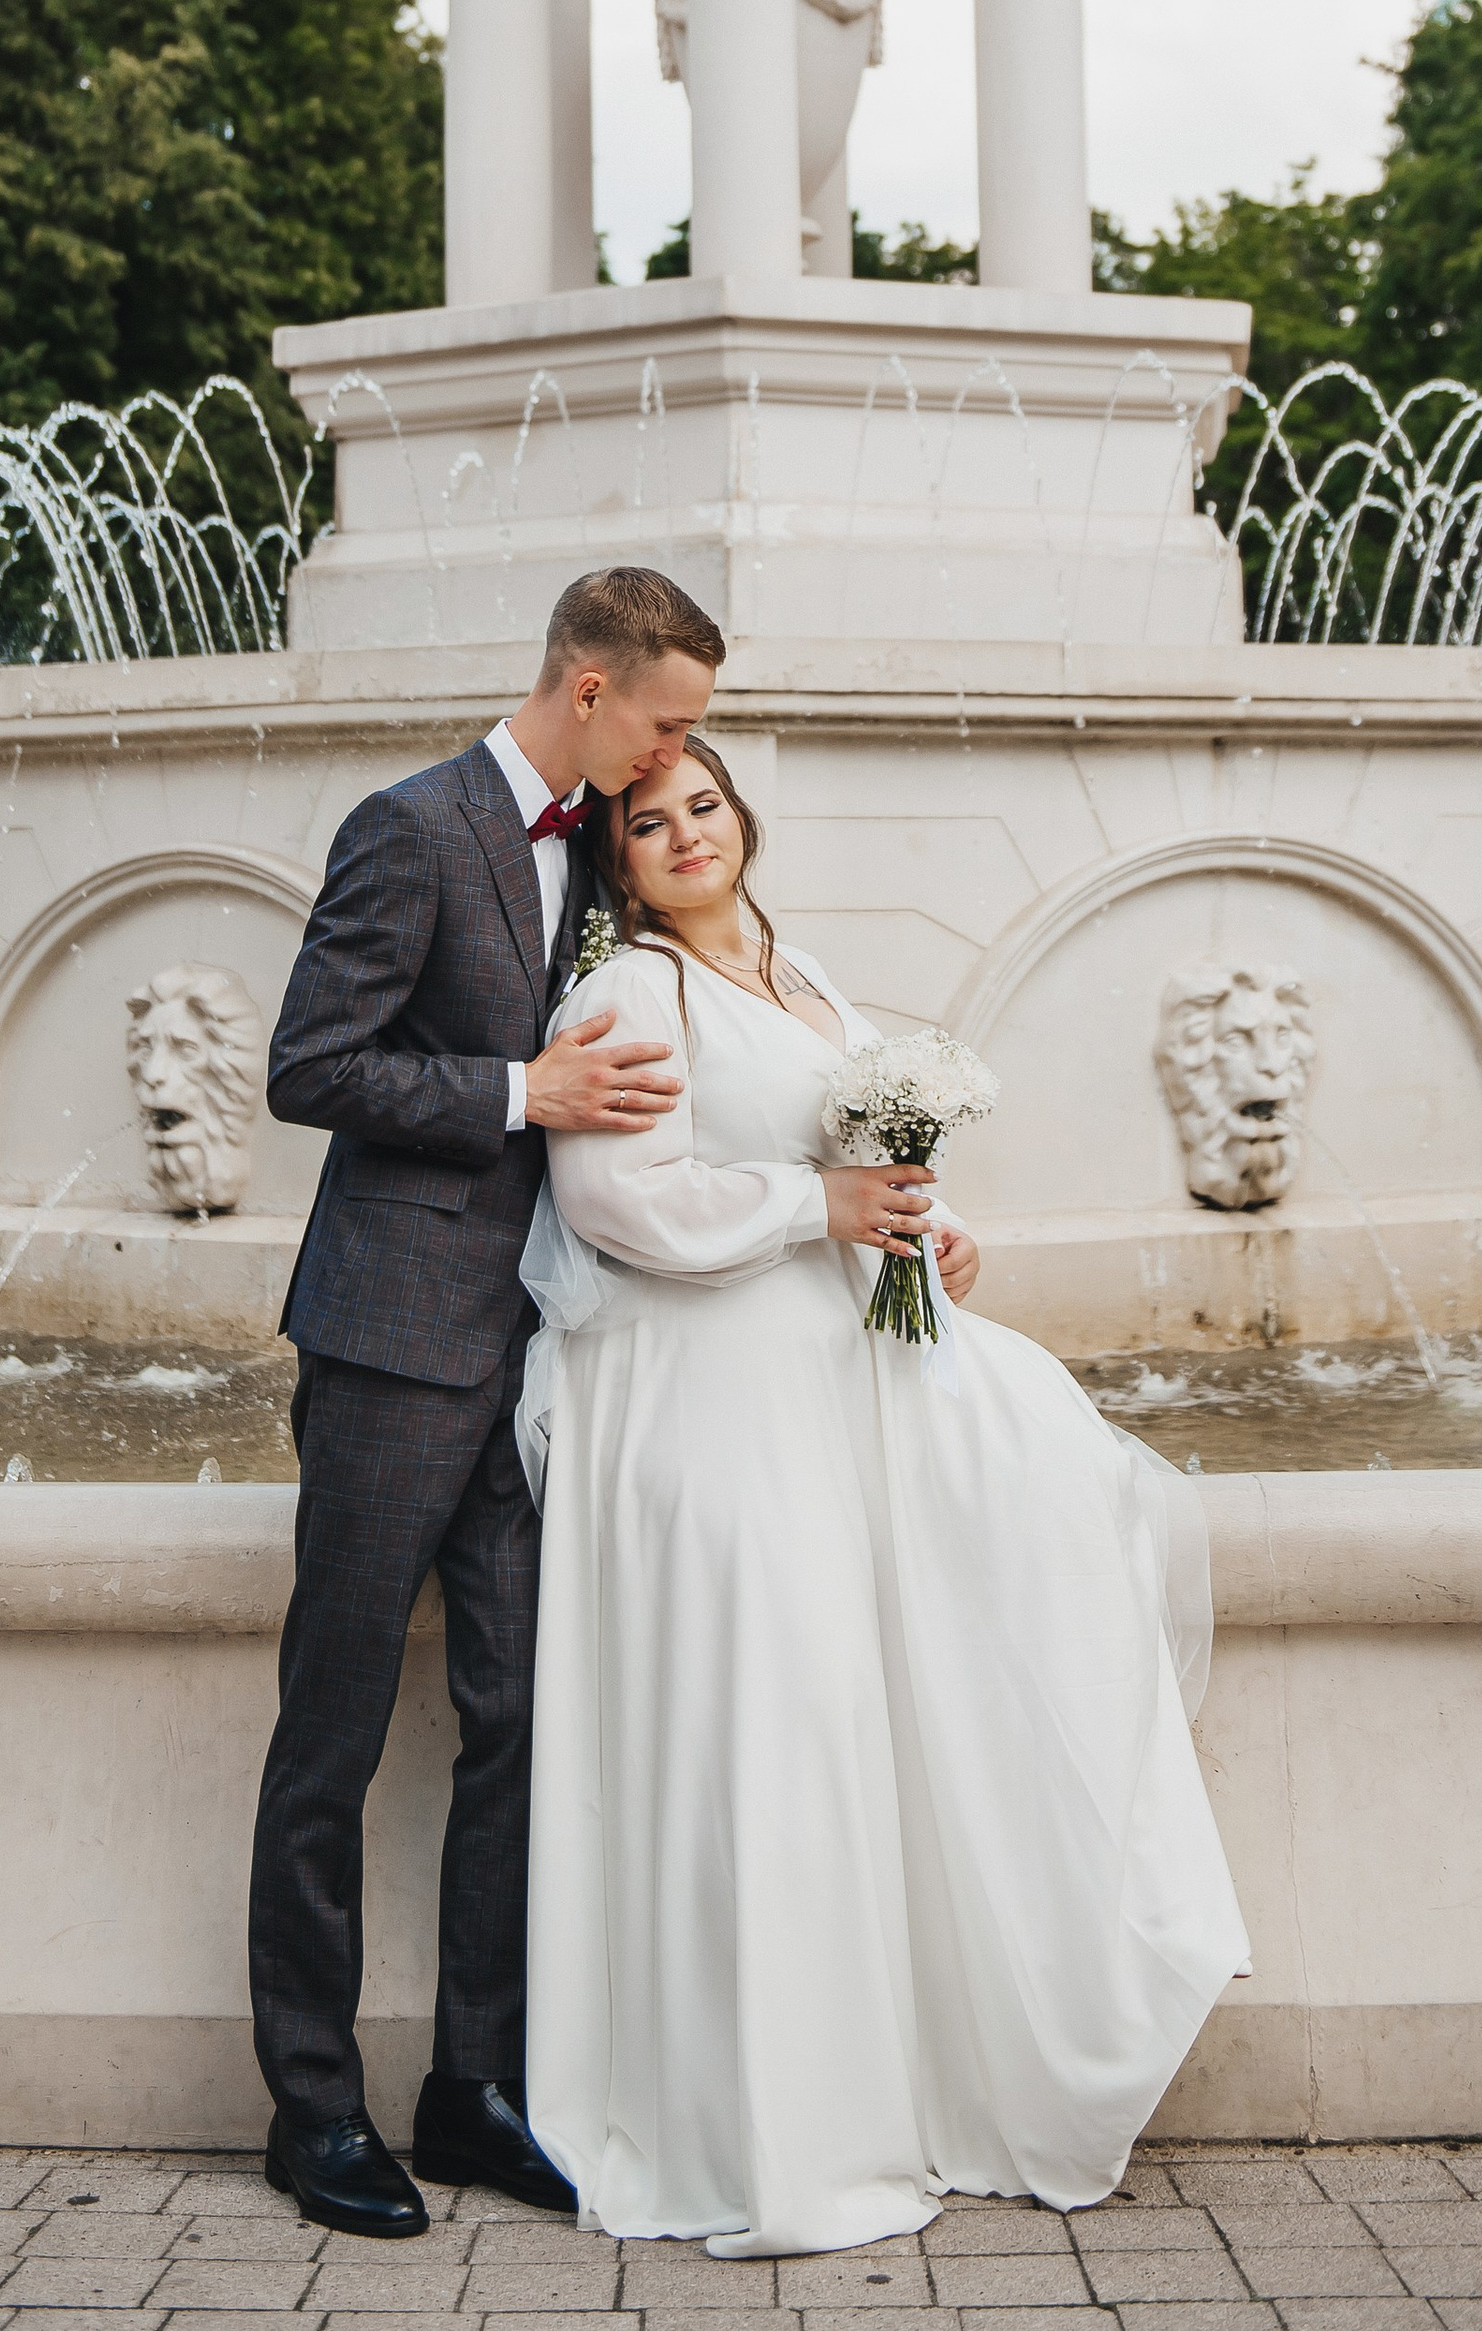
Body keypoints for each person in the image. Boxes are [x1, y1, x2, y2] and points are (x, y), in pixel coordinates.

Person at [519, 736, 1252, 2260]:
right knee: (769, 1728)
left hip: (824, 1387)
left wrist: (930, 1227)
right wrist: (823, 1208)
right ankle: (764, 2131)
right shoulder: (633, 993)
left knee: (903, 1671)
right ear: (617, 861)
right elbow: (612, 1199)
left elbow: (853, 1147)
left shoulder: (800, 974)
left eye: (703, 806)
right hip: (706, 1400)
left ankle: (926, 2062)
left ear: (741, 815)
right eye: (649, 824)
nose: (687, 835)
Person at [249, 564, 727, 2240]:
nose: (677, 754)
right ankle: (312, 2108)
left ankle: (472, 2089)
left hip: (535, 1360)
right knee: (334, 1732)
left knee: (522, 1726)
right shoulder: (409, 828)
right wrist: (521, 1089)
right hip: (389, 1345)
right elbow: (310, 1064)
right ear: (591, 690)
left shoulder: (601, 846)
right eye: (667, 719)